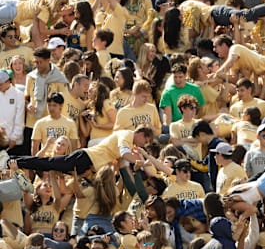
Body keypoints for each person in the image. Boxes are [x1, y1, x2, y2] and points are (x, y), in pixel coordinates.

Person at [13, 125, 154, 174]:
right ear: (140, 134)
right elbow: (124, 153)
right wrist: (140, 161)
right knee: (48, 163)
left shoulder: (130, 143)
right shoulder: (127, 135)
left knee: (49, 165)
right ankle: (14, 161)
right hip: (85, 157)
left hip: (88, 165)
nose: (143, 144)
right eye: (145, 141)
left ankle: (15, 162)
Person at [0, 69, 25, 155]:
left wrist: (14, 138)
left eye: (0, 84)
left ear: (8, 82)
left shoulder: (18, 94)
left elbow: (19, 119)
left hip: (14, 141)